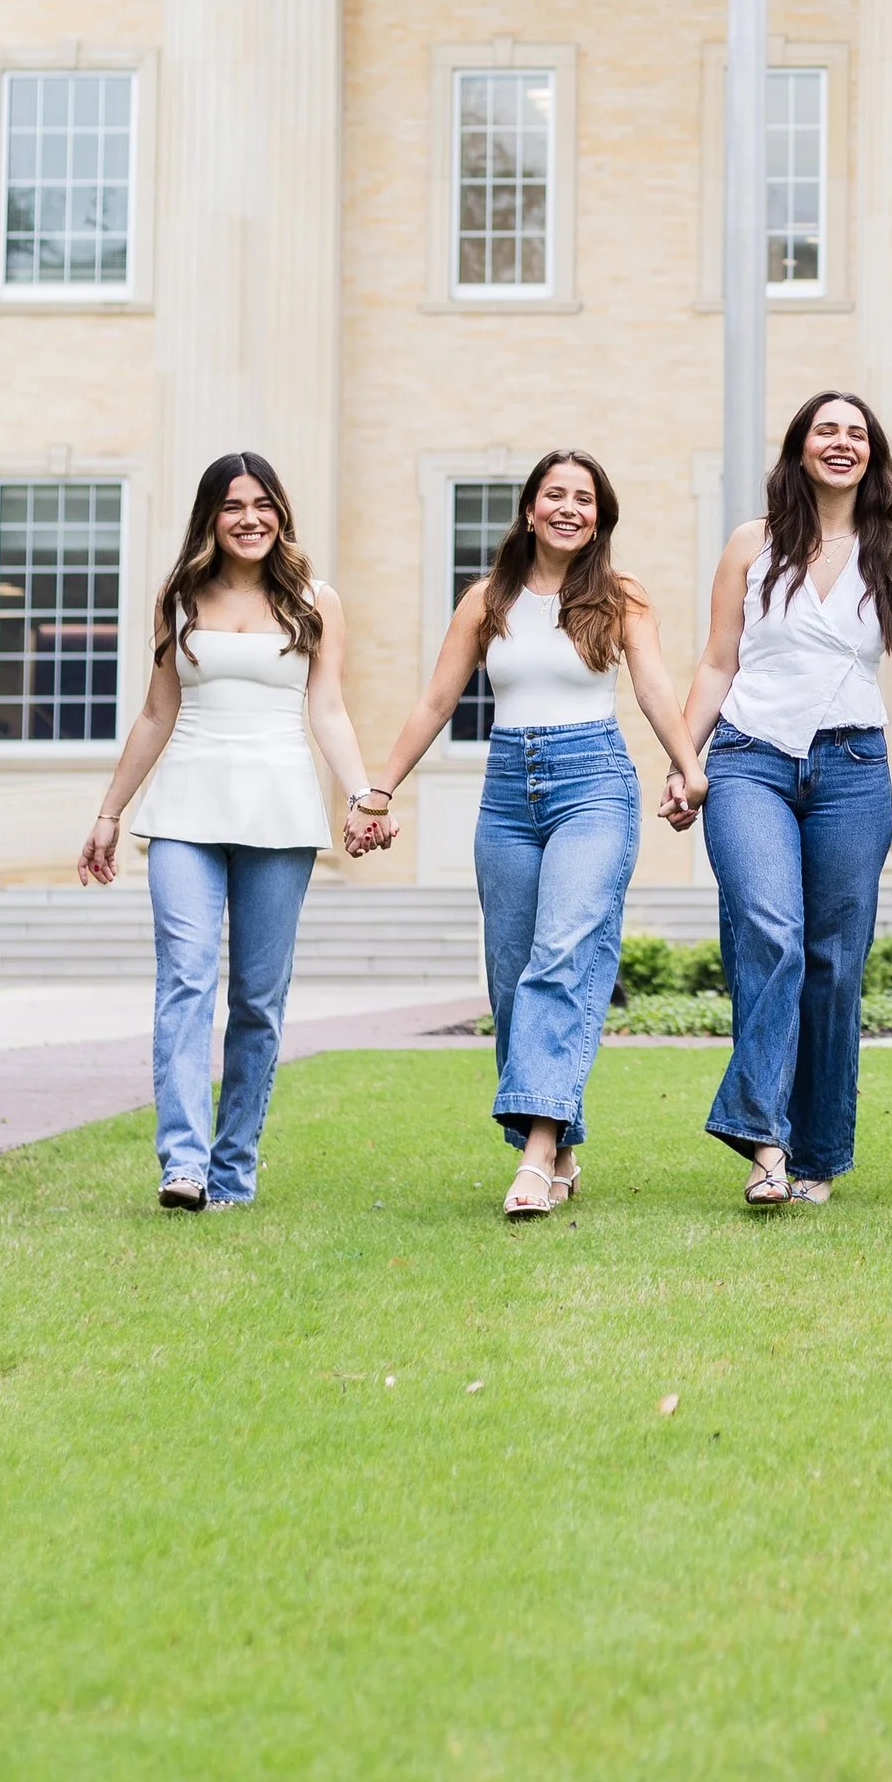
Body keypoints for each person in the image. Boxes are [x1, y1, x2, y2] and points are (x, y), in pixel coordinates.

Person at [368, 449, 703, 1217]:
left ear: (599, 518)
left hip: (594, 785)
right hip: (507, 793)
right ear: (529, 509)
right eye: (555, 494)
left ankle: (538, 1152)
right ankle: (562, 1134)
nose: (569, 508)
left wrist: (688, 765)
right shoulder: (486, 600)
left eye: (584, 499)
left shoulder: (620, 597)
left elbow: (651, 683)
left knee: (561, 955)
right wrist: (380, 789)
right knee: (513, 976)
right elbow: (433, 703)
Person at [76, 451, 386, 1212]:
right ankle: (182, 1165)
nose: (250, 518)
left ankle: (233, 1169)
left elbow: (328, 708)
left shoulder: (317, 601)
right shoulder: (180, 597)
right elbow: (157, 712)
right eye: (232, 505)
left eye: (263, 504)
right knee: (184, 982)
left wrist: (365, 794)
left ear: (281, 513)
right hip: (184, 810)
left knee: (257, 1000)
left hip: (279, 816)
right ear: (210, 517)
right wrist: (110, 812)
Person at [684, 393, 892, 1208]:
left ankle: (818, 1155)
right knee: (771, 931)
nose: (843, 443)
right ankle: (765, 1140)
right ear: (800, 447)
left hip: (851, 766)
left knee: (835, 965)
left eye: (858, 433)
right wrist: (680, 758)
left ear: (873, 454)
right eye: (826, 430)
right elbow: (716, 663)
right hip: (748, 759)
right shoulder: (751, 544)